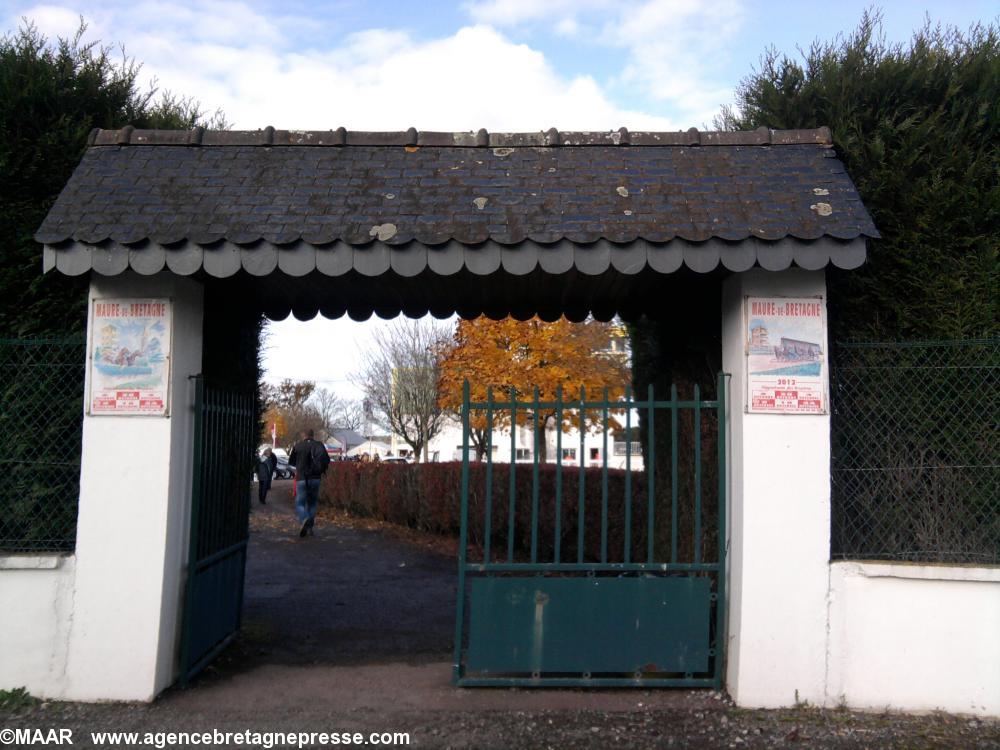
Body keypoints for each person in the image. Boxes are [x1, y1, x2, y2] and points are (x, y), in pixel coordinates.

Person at [288, 429, 331, 537]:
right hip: (315, 478)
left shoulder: (298, 446)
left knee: (300, 503)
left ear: (303, 435)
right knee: (312, 503)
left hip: (302, 478)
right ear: (313, 435)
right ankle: (310, 528)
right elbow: (327, 460)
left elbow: (291, 462)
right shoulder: (319, 445)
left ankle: (304, 518)